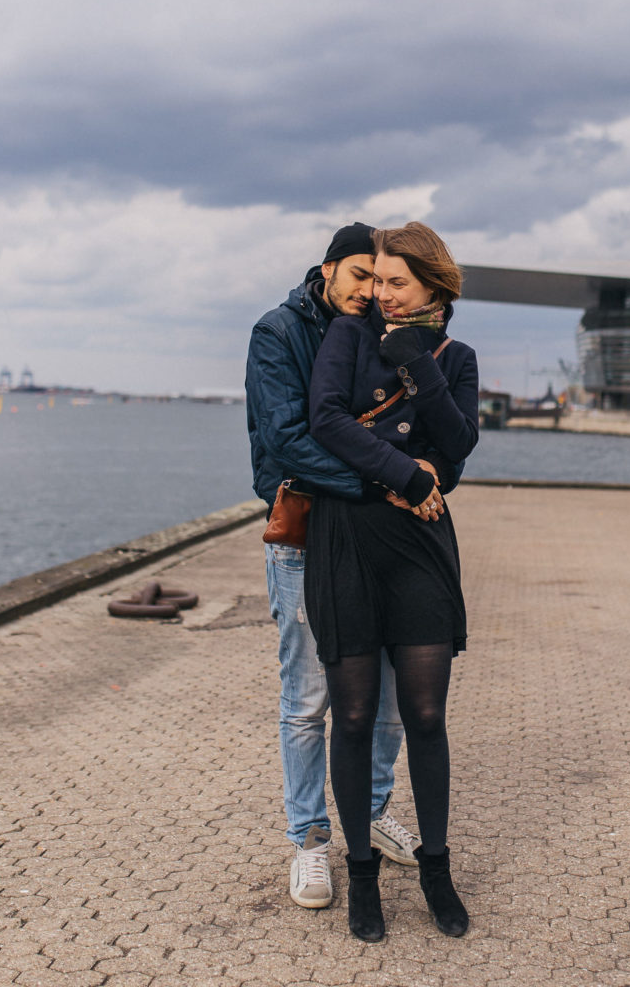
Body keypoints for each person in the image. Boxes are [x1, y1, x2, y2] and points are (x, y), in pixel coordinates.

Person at [304, 221, 479, 942]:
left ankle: (436, 869)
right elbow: (325, 419)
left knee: (426, 716)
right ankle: (361, 875)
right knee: (351, 717)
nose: (381, 293)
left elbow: (458, 444)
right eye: (376, 279)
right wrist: (407, 473)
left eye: (396, 282)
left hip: (419, 550)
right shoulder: (347, 335)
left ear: (432, 286)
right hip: (347, 540)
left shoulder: (455, 356)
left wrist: (415, 361)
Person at [245, 223, 424, 911]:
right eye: (359, 274)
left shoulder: (383, 329)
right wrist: (382, 481)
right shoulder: (279, 332)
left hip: (375, 536)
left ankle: (369, 811)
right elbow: (286, 439)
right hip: (307, 536)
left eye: (379, 278)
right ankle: (310, 838)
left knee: (387, 697)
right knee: (308, 698)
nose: (370, 289)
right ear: (326, 270)